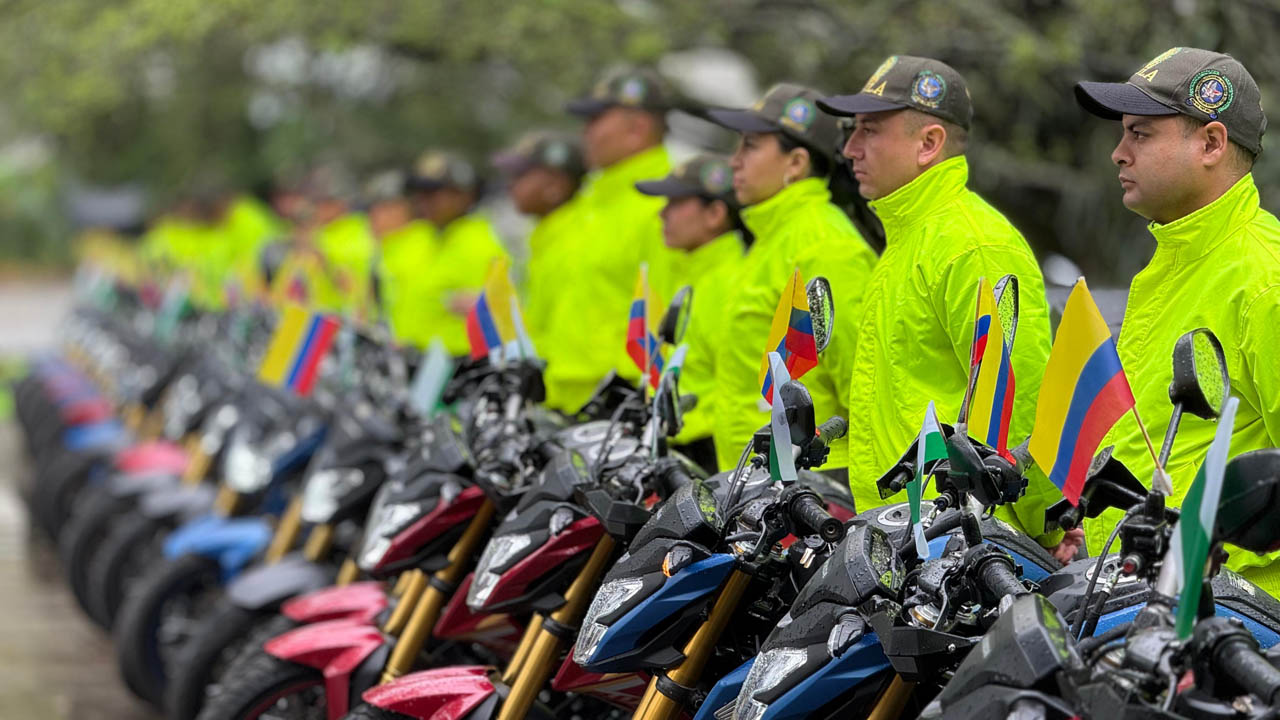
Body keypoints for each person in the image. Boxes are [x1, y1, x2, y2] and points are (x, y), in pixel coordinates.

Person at [818, 56, 1057, 544]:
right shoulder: (911, 238)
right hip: (904, 535)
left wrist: (1045, 529)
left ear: (929, 143)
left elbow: (1023, 405)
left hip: (960, 543)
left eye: (869, 131)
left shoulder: (972, 244)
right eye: (851, 131)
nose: (849, 149)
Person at [1074, 47, 1280, 590]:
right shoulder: (1173, 264)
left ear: (1211, 143)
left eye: (1140, 134)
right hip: (1137, 607)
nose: (1118, 154)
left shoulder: (1265, 280)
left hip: (1225, 631)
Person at [704, 83, 878, 475]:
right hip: (758, 488)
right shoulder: (772, 240)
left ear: (796, 163)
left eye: (750, 146)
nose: (733, 161)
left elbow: (862, 389)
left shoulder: (823, 245)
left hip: (811, 494)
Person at [546, 66, 685, 412]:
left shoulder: (666, 204)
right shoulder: (592, 204)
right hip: (564, 399)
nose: (585, 133)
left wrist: (633, 400)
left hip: (616, 406)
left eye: (596, 120)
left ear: (637, 128)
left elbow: (672, 319)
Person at [635, 154, 749, 470]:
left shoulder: (731, 282)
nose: (662, 214)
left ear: (714, 213)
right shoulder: (693, 274)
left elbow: (738, 383)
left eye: (675, 203)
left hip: (706, 455)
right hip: (675, 444)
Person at [397, 150, 506, 356]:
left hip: (459, 368)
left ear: (464, 195)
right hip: (421, 363)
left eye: (432, 193)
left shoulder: (480, 246)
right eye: (419, 193)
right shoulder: (426, 237)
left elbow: (500, 321)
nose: (422, 201)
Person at [492, 131, 587, 354]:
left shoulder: (574, 240)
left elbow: (568, 335)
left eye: (520, 175)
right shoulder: (547, 236)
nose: (510, 185)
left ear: (556, 184)